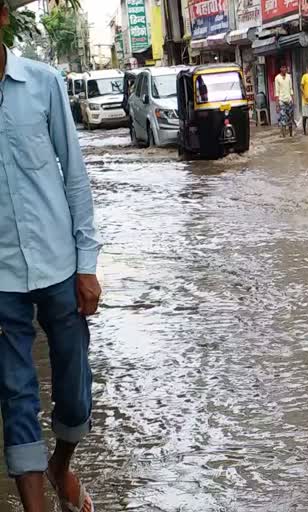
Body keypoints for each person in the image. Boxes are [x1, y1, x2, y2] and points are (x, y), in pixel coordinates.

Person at [0, 2, 102, 512]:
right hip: (0, 282)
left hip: (60, 267)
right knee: (16, 396)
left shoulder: (43, 84)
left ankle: (62, 465)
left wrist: (88, 264)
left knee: (75, 388)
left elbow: (74, 177)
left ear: (0, 18)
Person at [273, 62, 294, 138]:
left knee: (290, 119)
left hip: (289, 100)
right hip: (281, 101)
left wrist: (292, 99)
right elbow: (276, 92)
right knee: (283, 119)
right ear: (280, 69)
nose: (284, 69)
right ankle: (284, 135)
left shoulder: (289, 77)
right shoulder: (277, 78)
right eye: (283, 67)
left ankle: (291, 134)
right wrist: (277, 105)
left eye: (285, 67)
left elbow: (291, 89)